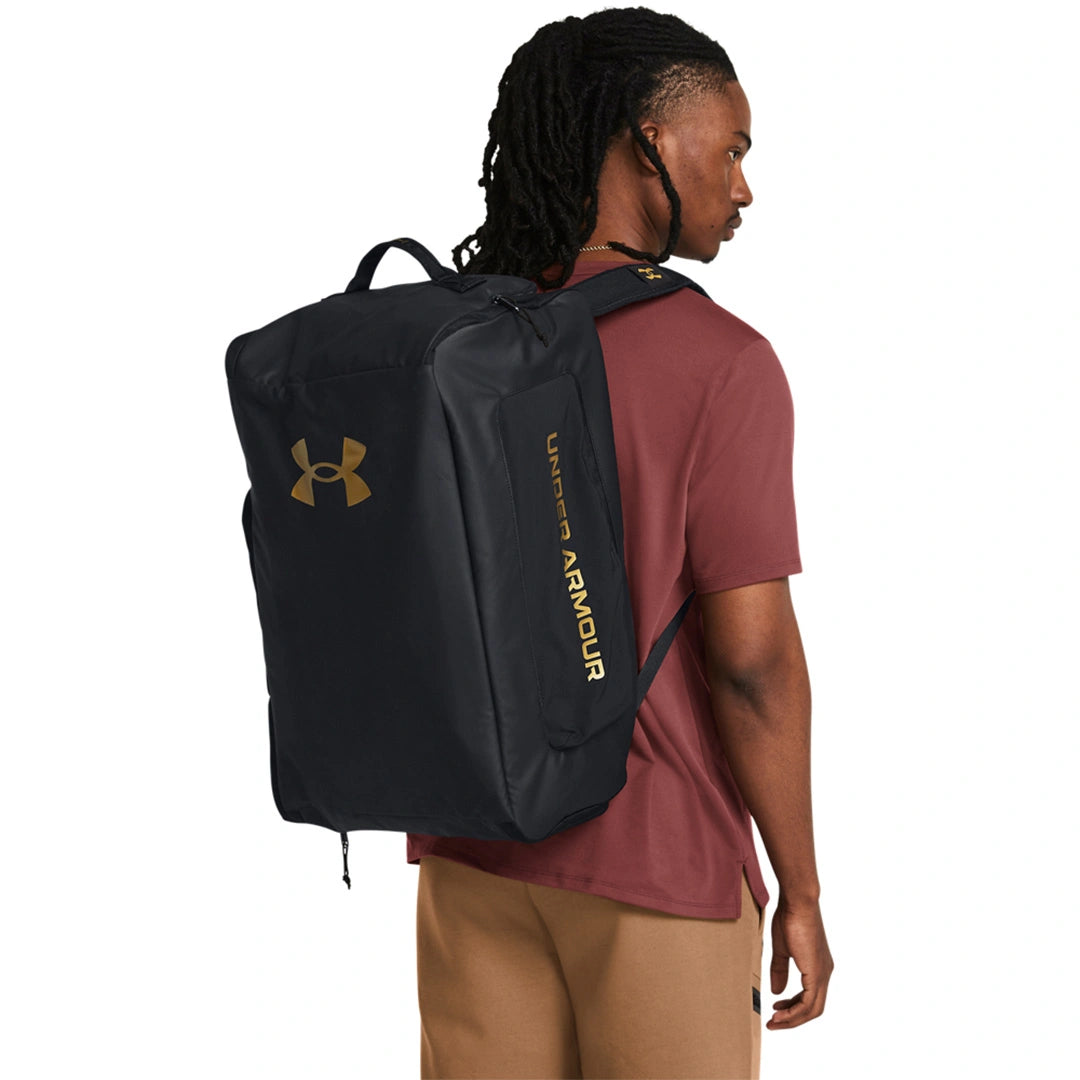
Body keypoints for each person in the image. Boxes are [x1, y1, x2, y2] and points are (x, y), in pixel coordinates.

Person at [406, 8, 833, 1078]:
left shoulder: (451, 339)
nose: (743, 187)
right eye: (730, 150)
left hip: (469, 852)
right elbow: (752, 664)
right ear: (650, 142)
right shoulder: (721, 362)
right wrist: (802, 890)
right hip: (657, 865)